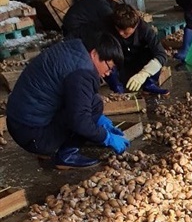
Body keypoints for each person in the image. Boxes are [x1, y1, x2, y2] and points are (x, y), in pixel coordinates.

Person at [6, 32, 130, 170]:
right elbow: (80, 121)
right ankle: (66, 155)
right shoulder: (82, 73)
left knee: (92, 102)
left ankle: (48, 147)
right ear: (95, 54)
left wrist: (100, 121)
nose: (108, 73)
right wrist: (106, 137)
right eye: (109, 67)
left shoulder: (75, 48)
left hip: (18, 122)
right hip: (32, 134)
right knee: (93, 108)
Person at [103, 4, 169, 96]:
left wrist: (144, 73)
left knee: (153, 55)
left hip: (139, 62)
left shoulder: (144, 29)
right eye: (118, 29)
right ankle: (117, 88)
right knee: (105, 56)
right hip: (119, 64)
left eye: (125, 31)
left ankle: (149, 84)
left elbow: (161, 55)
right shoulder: (107, 26)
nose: (120, 33)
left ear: (135, 26)